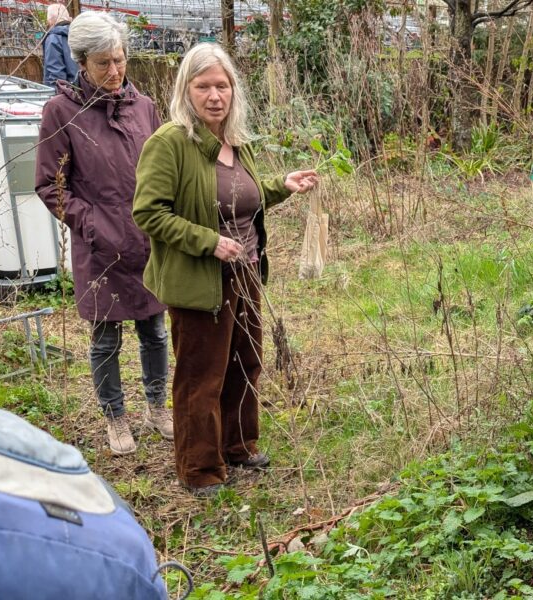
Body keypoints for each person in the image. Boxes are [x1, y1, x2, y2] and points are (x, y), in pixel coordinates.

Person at [132, 44, 318, 497]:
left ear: (233, 90)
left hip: (247, 272)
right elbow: (148, 212)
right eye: (203, 86)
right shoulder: (170, 143)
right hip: (200, 279)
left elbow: (240, 201)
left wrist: (281, 186)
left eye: (223, 85)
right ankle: (199, 468)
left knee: (245, 361)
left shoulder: (236, 141)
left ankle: (237, 445)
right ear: (186, 90)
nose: (214, 96)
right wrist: (209, 242)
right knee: (202, 373)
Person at [35, 10, 170, 456]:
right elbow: (49, 185)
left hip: (148, 240)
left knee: (155, 329)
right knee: (106, 338)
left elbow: (163, 172)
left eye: (120, 60)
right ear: (80, 62)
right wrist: (91, 224)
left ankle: (157, 406)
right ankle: (115, 417)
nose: (114, 72)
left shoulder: (144, 107)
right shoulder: (62, 112)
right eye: (102, 64)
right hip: (100, 248)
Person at [41, 3, 79, 87]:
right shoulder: (79, 34)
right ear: (70, 19)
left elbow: (56, 76)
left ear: (50, 22)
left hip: (67, 94)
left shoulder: (53, 39)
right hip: (86, 91)